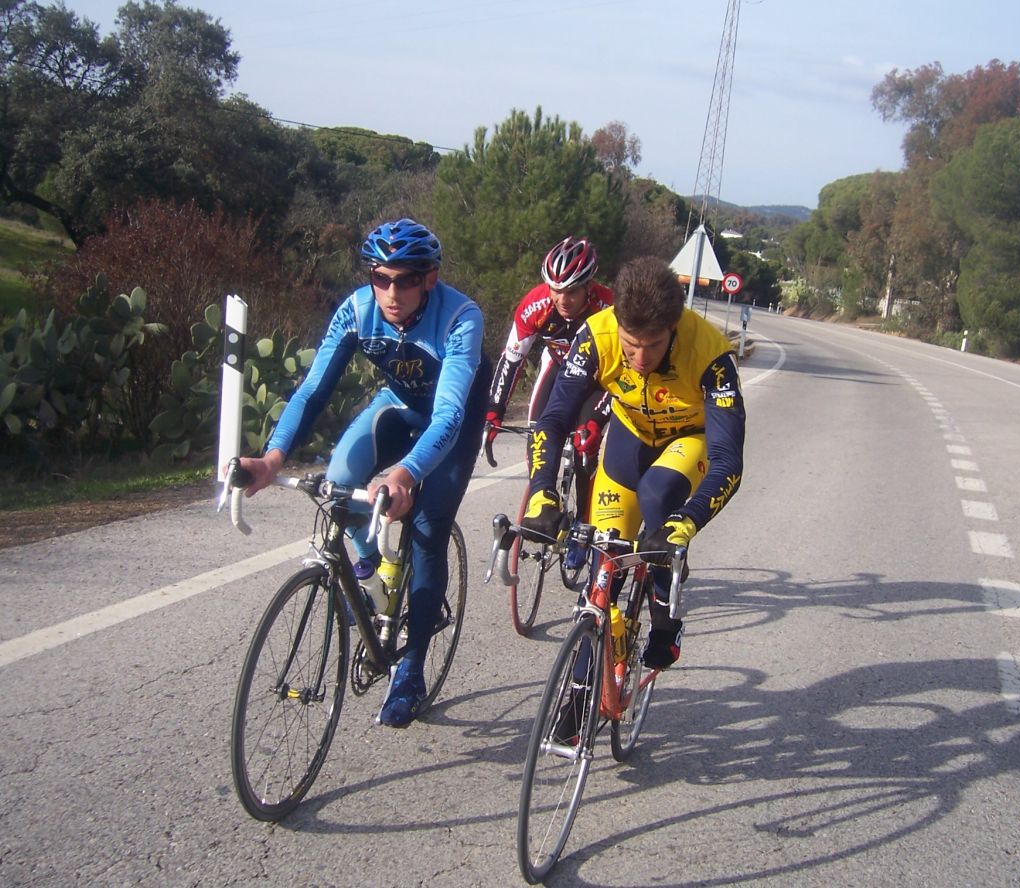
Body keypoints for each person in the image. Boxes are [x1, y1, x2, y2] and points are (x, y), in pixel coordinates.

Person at [236, 218, 490, 727]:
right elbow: (313, 391)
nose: (391, 293)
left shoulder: (461, 317)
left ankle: (411, 669)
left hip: (453, 423)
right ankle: (374, 570)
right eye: (380, 278)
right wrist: (272, 458)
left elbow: (448, 415)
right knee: (338, 481)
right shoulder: (357, 310)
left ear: (429, 278)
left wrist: (405, 474)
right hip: (398, 405)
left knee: (427, 528)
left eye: (405, 280)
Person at [521, 255, 746, 671]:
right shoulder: (597, 335)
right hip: (631, 435)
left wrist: (688, 522)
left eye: (654, 344)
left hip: (687, 439)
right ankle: (581, 690)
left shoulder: (711, 354)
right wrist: (542, 493)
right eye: (631, 345)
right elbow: (552, 421)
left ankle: (664, 616)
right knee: (604, 570)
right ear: (617, 322)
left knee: (658, 495)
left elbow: (728, 461)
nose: (640, 358)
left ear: (674, 327)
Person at [483, 237, 614, 545]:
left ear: (589, 287)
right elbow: (511, 360)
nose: (562, 299)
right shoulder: (536, 304)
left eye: (571, 291)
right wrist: (494, 411)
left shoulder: (607, 307)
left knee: (585, 444)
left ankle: (584, 522)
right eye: (556, 289)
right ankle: (543, 502)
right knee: (538, 432)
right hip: (556, 366)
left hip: (598, 377)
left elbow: (623, 371)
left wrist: (598, 419)